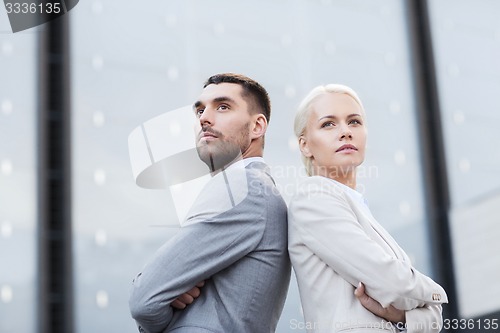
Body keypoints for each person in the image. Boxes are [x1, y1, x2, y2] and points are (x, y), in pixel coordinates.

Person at [128, 73, 291, 333]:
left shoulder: (243, 188)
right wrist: (172, 289)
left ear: (257, 126)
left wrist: (167, 301)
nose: (204, 118)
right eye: (200, 110)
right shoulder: (254, 189)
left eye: (223, 107)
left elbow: (144, 300)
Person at [288, 84, 448, 333]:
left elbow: (434, 320)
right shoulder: (313, 197)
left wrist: (403, 315)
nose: (345, 132)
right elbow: (391, 283)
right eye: (328, 124)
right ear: (305, 145)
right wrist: (436, 292)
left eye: (354, 122)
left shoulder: (357, 207)